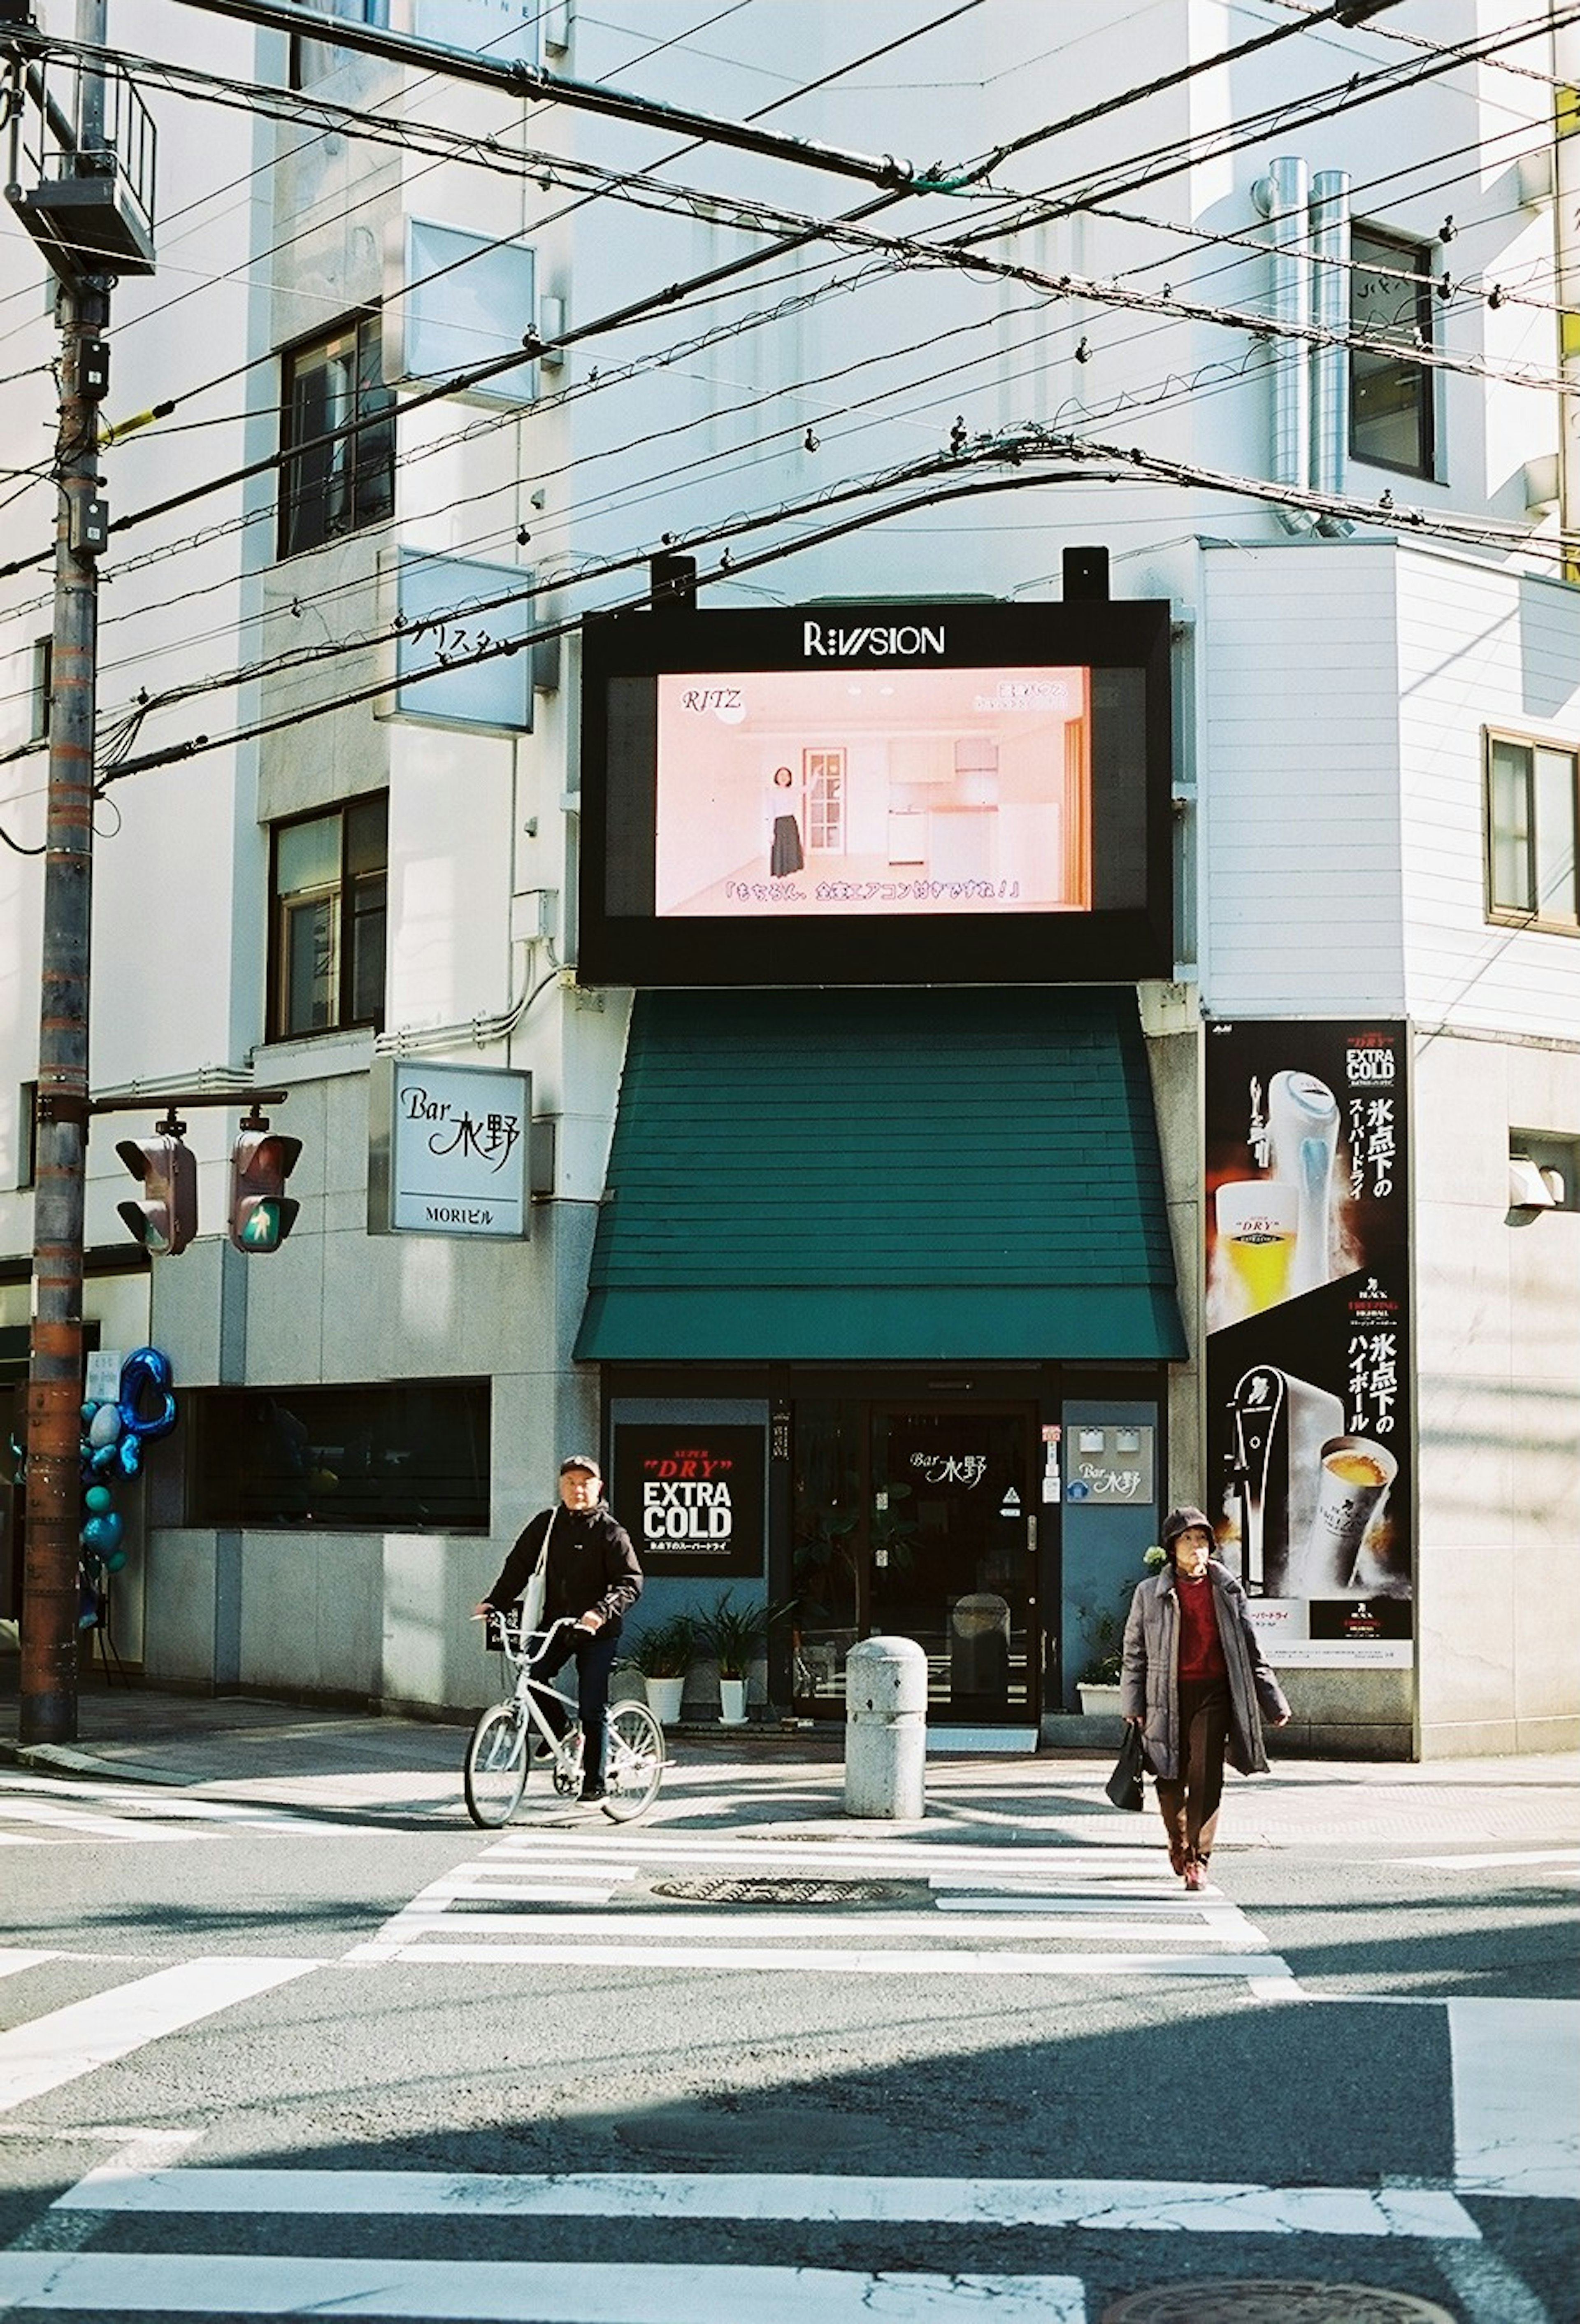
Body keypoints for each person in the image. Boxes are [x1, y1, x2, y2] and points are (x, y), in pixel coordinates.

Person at [1121, 1504, 1290, 1890]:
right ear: (1171, 1547)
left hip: (1214, 1693)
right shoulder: (1150, 1593)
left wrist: (1273, 1701)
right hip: (1165, 1695)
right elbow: (1135, 1652)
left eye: (1202, 1540)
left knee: (1206, 1774)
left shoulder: (1228, 1590)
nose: (1197, 1547)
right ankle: (1178, 1841)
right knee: (1169, 1774)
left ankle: (1198, 1858)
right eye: (1188, 1540)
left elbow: (1251, 1648)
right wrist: (1133, 1705)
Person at [474, 1455, 642, 1806]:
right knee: (533, 1678)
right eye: (570, 1482)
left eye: (585, 1483)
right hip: (556, 1624)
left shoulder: (612, 1533)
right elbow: (518, 1566)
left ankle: (596, 1782)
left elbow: (630, 1584)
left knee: (591, 1706)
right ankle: (563, 1730)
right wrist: (495, 1603)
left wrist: (599, 1613)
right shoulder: (547, 1525)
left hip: (598, 1632)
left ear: (599, 1488)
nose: (578, 1489)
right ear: (561, 1486)